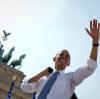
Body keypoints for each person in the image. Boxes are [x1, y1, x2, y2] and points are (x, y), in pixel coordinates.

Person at [20, 19, 100, 99]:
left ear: (68, 63)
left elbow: (89, 67)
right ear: (54, 58)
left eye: (67, 56)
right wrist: (41, 74)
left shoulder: (71, 78)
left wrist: (95, 42)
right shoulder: (43, 77)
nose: (64, 56)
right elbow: (25, 86)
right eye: (61, 54)